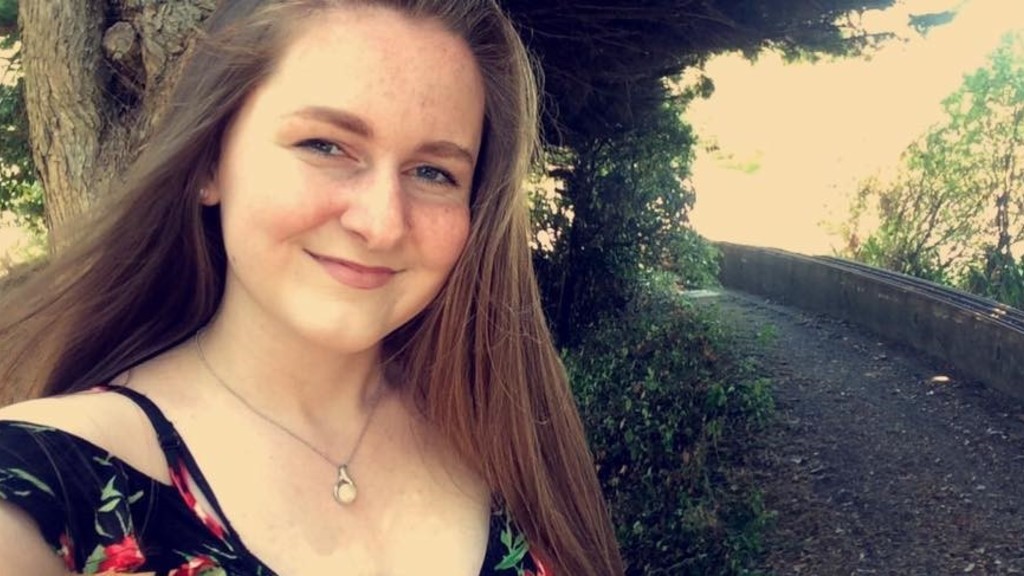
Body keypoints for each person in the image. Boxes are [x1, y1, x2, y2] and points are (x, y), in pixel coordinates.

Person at [0, 0, 625, 574]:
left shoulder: (507, 438)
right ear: (210, 161)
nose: (381, 224)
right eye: (325, 145)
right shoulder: (43, 493)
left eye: (434, 172)